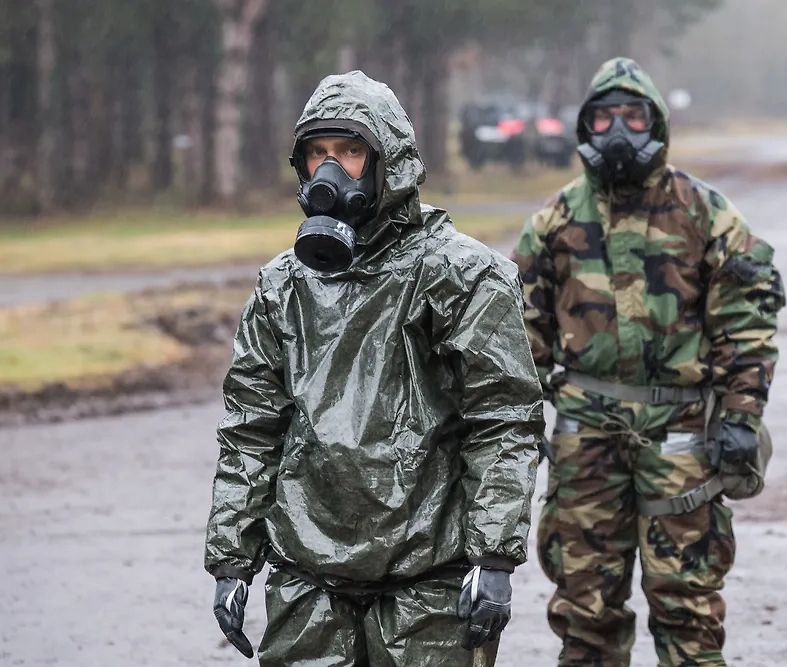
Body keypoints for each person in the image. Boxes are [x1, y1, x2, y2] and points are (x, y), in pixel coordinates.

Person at [204, 70, 545, 666]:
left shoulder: (461, 276)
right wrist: (232, 558)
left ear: (389, 160)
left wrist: (494, 557)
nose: (331, 171)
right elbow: (252, 426)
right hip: (307, 583)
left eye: (350, 152)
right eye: (318, 154)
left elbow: (503, 419)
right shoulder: (282, 286)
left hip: (428, 585)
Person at [512, 57, 786, 667]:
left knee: (688, 608)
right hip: (587, 441)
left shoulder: (704, 213)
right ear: (585, 125)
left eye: (632, 116)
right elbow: (518, 339)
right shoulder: (554, 222)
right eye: (605, 116)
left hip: (681, 438)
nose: (618, 130)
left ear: (656, 123)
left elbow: (747, 320)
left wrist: (742, 416)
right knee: (585, 615)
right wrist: (510, 433)